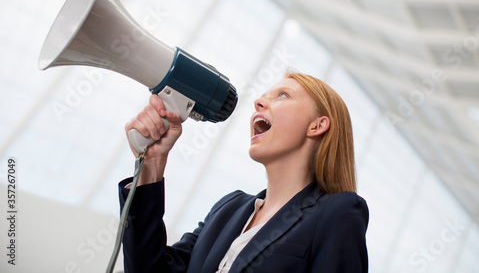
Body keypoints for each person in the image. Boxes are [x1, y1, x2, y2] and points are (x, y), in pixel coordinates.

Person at [118, 71, 369, 273]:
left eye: (282, 95)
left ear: (318, 125)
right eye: (262, 96)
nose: (258, 102)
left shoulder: (338, 213)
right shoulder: (228, 209)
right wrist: (152, 164)